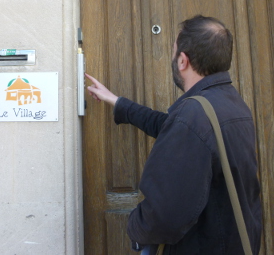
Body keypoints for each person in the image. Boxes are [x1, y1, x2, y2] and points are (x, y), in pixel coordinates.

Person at [85, 15, 262, 254]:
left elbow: (167, 214)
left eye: (173, 51)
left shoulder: (193, 115)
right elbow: (172, 127)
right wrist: (119, 103)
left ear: (182, 61)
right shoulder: (229, 103)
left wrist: (137, 230)